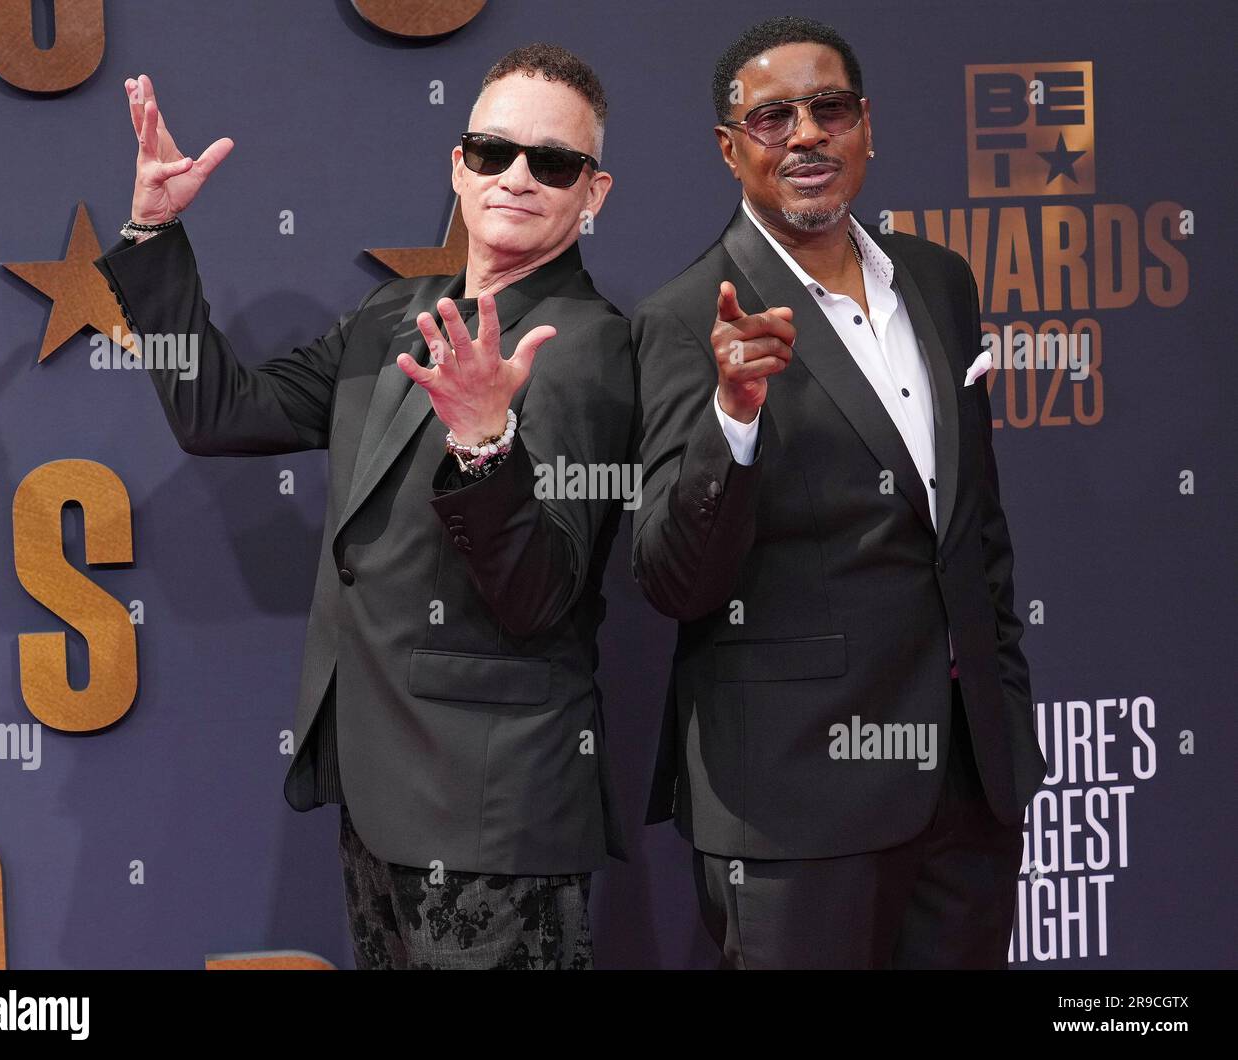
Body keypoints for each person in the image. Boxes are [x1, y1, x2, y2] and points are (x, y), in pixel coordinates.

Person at [94, 43, 634, 969]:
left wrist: (484, 442)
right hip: (381, 797)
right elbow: (220, 414)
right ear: (456, 167)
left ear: (593, 194)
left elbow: (541, 595)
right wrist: (151, 239)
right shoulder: (395, 314)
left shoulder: (586, 347)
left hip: (493, 819)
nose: (516, 178)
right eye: (492, 151)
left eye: (552, 163)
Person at [631, 16, 1047, 969]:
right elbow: (672, 580)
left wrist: (1004, 713)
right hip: (794, 807)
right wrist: (731, 417)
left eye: (830, 109)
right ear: (730, 151)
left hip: (968, 786)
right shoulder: (686, 316)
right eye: (772, 117)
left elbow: (972, 527)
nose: (806, 135)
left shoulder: (941, 281)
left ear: (867, 127)